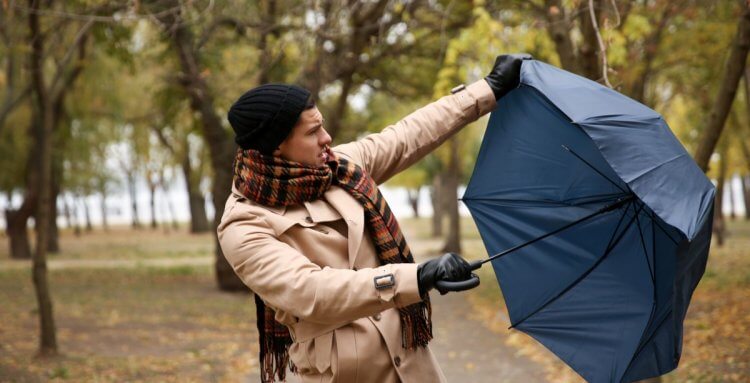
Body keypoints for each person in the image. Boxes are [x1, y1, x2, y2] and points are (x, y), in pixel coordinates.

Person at [217, 54, 531, 383]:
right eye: (313, 132)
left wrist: (488, 89)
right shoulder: (244, 224)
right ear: (276, 148)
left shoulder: (340, 168)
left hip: (412, 367)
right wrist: (417, 277)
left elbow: (409, 135)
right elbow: (311, 292)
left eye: (322, 124)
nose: (327, 138)